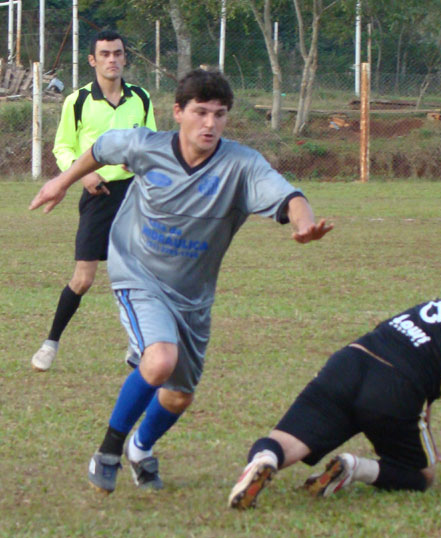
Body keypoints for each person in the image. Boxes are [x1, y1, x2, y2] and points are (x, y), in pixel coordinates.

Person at [29, 68, 333, 494]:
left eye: (219, 114)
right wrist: (62, 181)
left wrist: (303, 223)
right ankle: (108, 450)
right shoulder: (145, 145)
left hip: (192, 295)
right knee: (159, 361)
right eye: (201, 112)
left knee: (178, 396)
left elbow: (289, 196)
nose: (210, 124)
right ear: (178, 112)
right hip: (136, 269)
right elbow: (99, 148)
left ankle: (140, 447)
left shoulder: (241, 165)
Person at [228, 287, 441, 510]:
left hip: (350, 361)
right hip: (394, 388)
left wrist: (430, 438)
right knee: (422, 476)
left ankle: (264, 461)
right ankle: (354, 469)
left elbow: (431, 353)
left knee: (285, 444)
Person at [31, 30, 156, 372]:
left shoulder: (141, 98)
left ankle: (137, 348)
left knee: (138, 277)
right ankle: (50, 342)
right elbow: (62, 148)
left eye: (117, 53)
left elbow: (152, 144)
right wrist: (83, 174)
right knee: (83, 278)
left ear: (125, 57)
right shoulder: (79, 101)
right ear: (93, 60)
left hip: (133, 196)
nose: (112, 59)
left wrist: (141, 162)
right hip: (96, 196)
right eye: (105, 54)